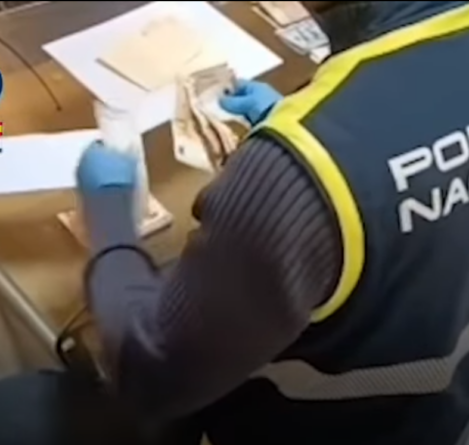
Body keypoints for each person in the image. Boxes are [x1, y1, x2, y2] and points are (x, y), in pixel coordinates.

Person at [5, 1, 469, 444]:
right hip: (440, 405)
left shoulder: (296, 171)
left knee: (23, 411)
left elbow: (151, 373)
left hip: (318, 426)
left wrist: (108, 218)